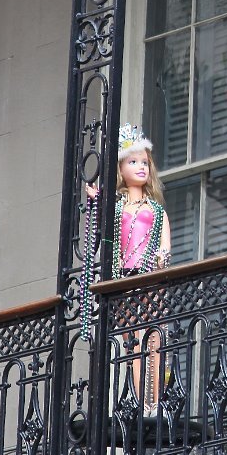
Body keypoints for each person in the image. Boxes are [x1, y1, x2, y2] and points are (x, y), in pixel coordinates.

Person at [86, 123, 172, 415]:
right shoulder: (117, 208)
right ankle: (142, 402)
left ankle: (154, 402)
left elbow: (164, 244)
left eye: (144, 163)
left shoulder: (156, 211)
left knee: (154, 342)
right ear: (121, 170)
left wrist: (161, 262)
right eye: (133, 162)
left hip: (150, 278)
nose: (141, 167)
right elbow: (102, 235)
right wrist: (97, 200)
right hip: (125, 278)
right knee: (134, 344)